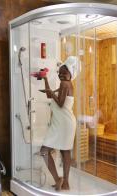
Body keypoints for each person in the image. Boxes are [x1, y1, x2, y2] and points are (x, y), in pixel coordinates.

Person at [39, 56, 79, 191]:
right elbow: (50, 97)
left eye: (64, 73)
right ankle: (64, 182)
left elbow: (60, 104)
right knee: (64, 151)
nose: (61, 75)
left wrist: (50, 91)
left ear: (70, 74)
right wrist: (45, 80)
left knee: (45, 151)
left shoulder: (65, 84)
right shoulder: (67, 84)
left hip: (64, 122)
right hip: (63, 123)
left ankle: (59, 180)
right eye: (59, 73)